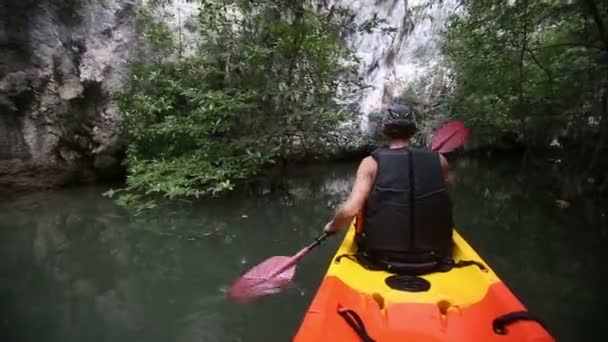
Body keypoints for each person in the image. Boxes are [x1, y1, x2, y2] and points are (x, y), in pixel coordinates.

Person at [322, 103, 454, 274]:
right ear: (414, 131)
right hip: (435, 257)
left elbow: (350, 211)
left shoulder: (370, 163)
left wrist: (332, 226)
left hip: (379, 258)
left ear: (385, 130)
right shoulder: (440, 161)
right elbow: (443, 192)